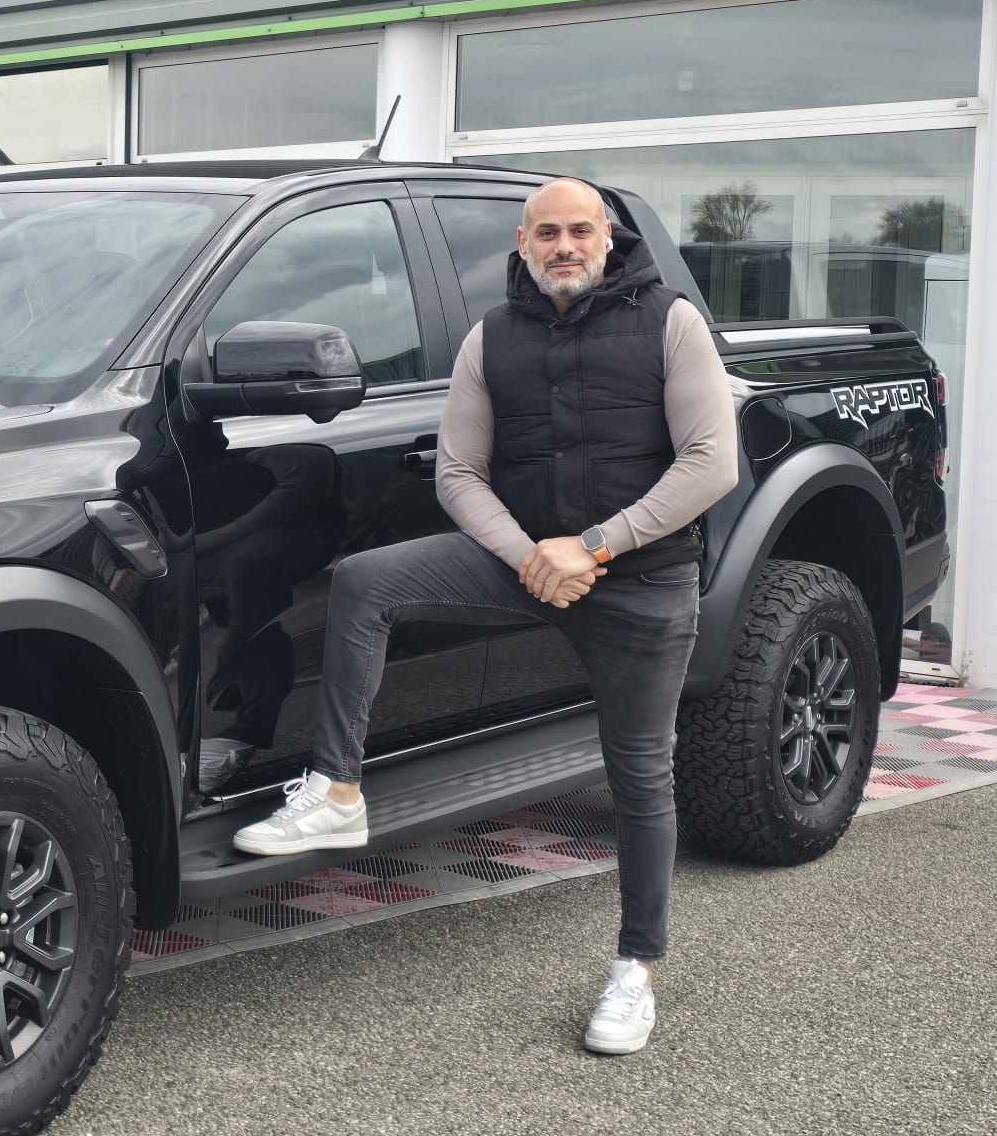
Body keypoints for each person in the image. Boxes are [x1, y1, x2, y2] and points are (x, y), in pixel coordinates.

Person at [231, 176, 738, 1055]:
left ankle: (635, 971)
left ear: (608, 237)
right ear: (523, 243)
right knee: (365, 583)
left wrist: (594, 547)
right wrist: (532, 557)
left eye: (579, 231)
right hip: (526, 562)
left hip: (643, 578)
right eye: (547, 233)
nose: (564, 246)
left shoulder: (671, 323)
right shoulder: (491, 337)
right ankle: (337, 790)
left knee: (640, 778)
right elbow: (458, 473)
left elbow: (710, 463)